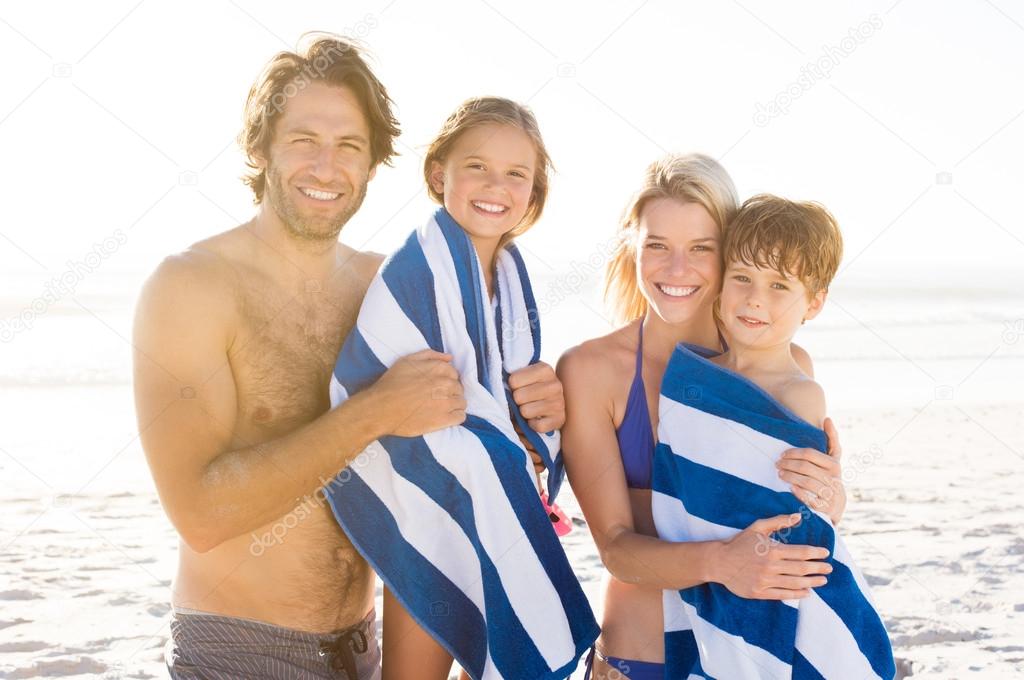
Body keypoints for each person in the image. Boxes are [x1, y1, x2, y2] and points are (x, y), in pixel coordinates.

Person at [133, 36, 564, 679]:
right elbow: (200, 513)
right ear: (261, 148)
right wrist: (374, 412)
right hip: (241, 652)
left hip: (364, 654)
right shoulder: (192, 287)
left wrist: (539, 411)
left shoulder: (390, 290)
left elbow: (452, 460)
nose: (327, 167)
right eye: (305, 140)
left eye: (350, 147)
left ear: (372, 165)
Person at [557, 154, 848, 679]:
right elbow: (618, 550)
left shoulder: (786, 367)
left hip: (752, 657)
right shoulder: (591, 371)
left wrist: (832, 498)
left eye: (700, 249)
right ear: (633, 248)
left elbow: (793, 523)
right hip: (642, 657)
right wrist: (721, 562)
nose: (676, 270)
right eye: (657, 246)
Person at [376, 96, 578, 680]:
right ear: (439, 173)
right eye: (477, 167)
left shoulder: (509, 277)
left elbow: (501, 396)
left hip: (499, 509)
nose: (497, 185)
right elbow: (395, 398)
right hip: (430, 514)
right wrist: (502, 432)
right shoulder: (415, 268)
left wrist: (540, 409)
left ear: (534, 193)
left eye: (518, 174)